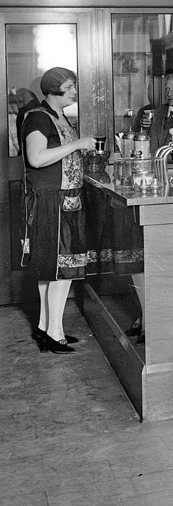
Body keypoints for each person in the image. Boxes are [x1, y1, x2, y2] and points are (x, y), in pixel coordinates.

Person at [19, 67, 96, 353]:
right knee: (61, 269)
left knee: (52, 268)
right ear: (54, 90)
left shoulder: (59, 116)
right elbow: (36, 158)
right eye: (70, 86)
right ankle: (55, 333)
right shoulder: (39, 117)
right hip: (51, 201)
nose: (75, 91)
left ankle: (44, 327)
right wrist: (78, 144)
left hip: (64, 199)